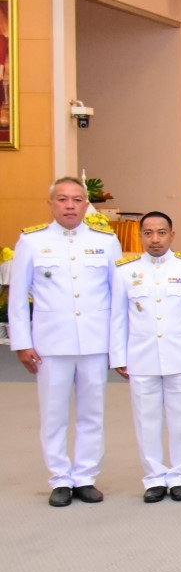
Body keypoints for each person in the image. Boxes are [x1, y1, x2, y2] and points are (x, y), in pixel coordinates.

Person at [10, 176, 122, 507]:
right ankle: (60, 478)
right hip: (51, 344)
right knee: (53, 413)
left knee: (92, 412)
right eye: (62, 199)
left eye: (76, 200)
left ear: (86, 205)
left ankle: (85, 476)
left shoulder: (106, 241)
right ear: (51, 204)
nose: (69, 206)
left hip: (94, 341)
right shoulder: (32, 241)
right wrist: (22, 342)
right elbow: (18, 296)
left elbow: (118, 298)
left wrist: (117, 345)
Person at [110, 211, 181, 503]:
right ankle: (153, 477)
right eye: (148, 233)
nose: (155, 239)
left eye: (161, 233)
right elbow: (117, 317)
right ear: (140, 236)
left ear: (172, 235)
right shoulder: (125, 271)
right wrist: (119, 356)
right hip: (141, 357)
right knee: (146, 419)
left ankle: (180, 477)